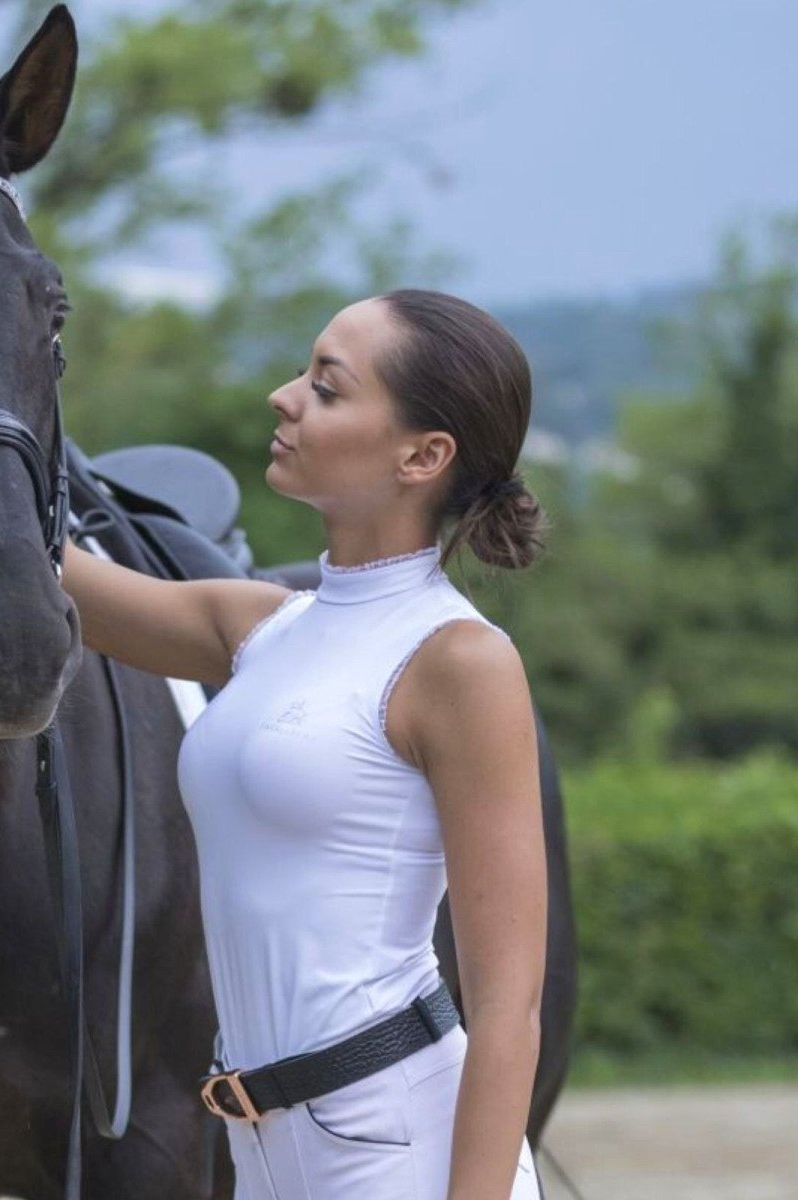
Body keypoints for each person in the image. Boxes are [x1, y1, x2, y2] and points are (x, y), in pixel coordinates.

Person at [61, 288, 548, 1200]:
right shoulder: (260, 628)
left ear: (423, 455)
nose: (283, 398)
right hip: (263, 1156)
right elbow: (40, 574)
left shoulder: (460, 663)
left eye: (327, 388)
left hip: (398, 1152)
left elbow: (508, 1006)